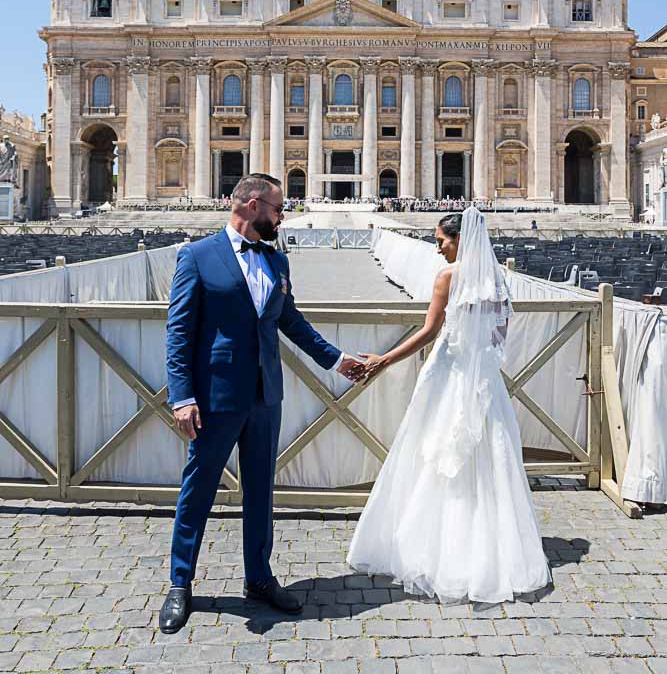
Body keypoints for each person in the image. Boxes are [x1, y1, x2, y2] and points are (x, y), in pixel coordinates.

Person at [160, 173, 365, 633]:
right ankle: (179, 583)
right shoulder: (196, 256)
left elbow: (290, 321)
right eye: (278, 209)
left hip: (265, 396)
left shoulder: (276, 261)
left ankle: (259, 577)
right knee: (198, 491)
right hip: (214, 398)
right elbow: (178, 334)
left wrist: (336, 361)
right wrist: (182, 396)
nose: (282, 216)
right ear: (253, 206)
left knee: (260, 493)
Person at [348, 207, 551, 604]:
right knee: (490, 463)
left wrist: (383, 360)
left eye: (441, 241)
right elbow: (498, 338)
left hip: (449, 373)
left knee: (432, 458)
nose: (438, 248)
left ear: (459, 240)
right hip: (484, 381)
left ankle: (438, 546)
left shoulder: (446, 278)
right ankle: (490, 546)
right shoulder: (498, 279)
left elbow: (429, 331)